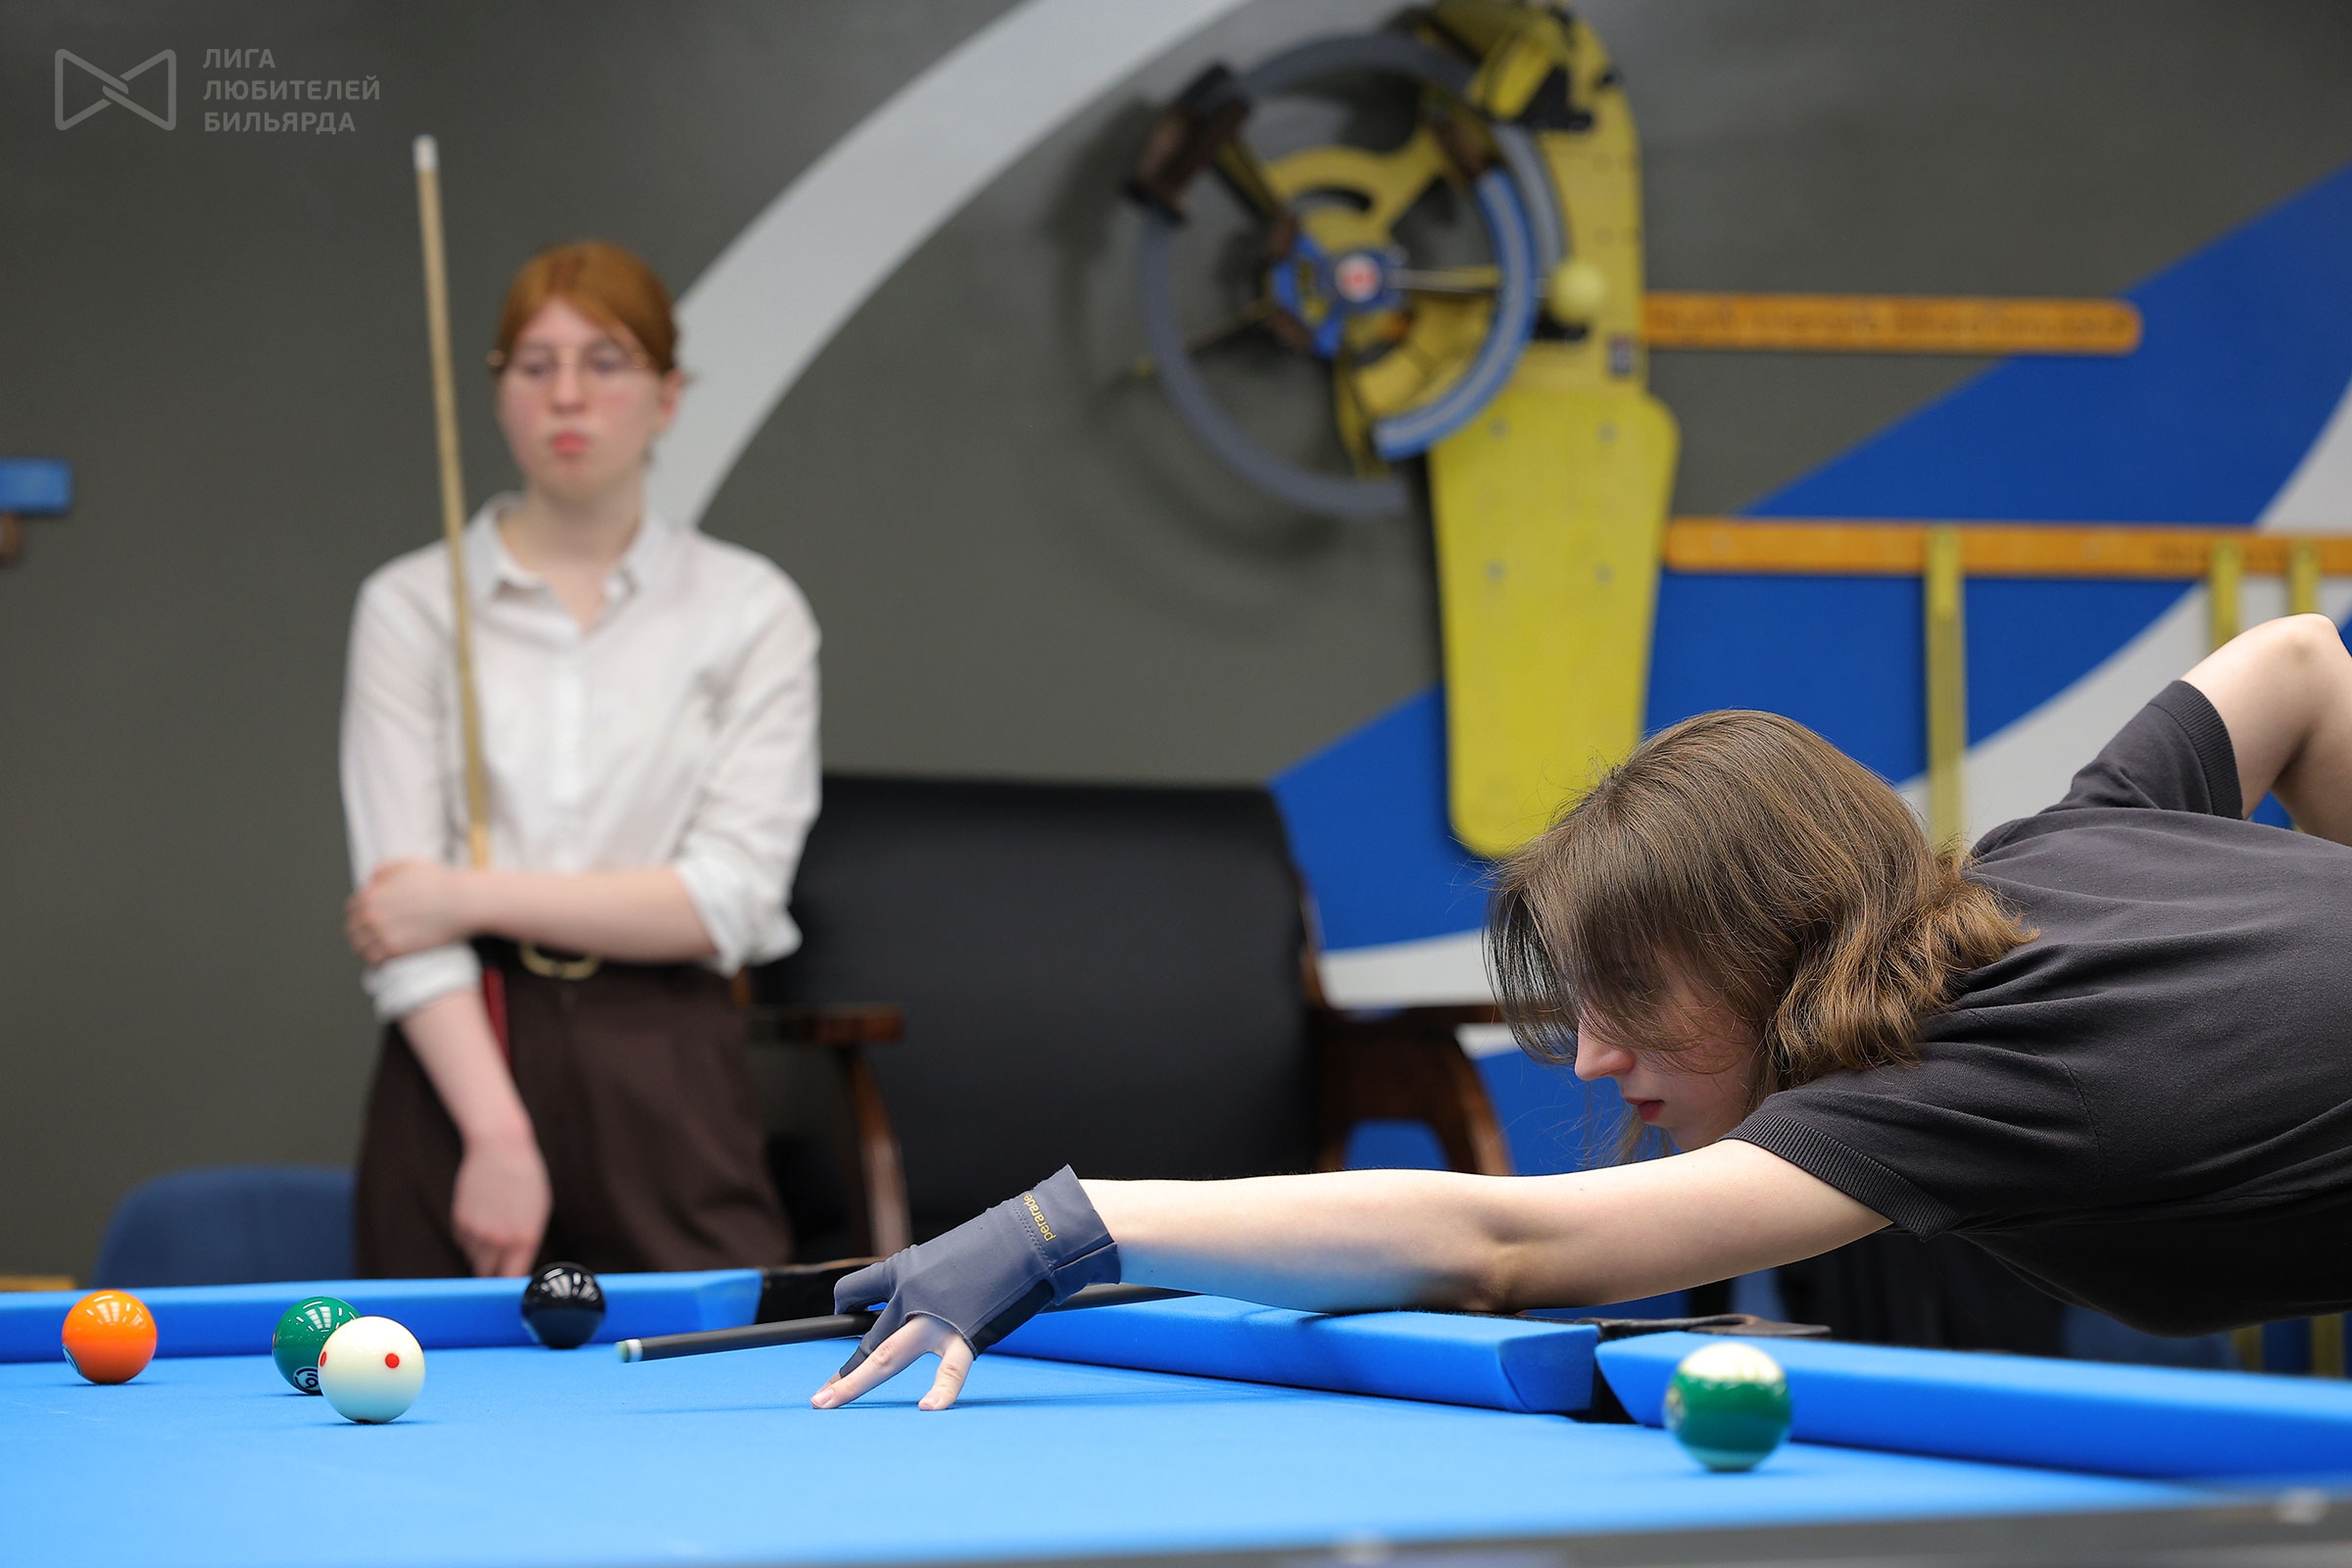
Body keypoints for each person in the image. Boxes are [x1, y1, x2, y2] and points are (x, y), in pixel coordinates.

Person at [808, 612, 2352, 1411]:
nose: (1600, 1059)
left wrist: (1070, 1224)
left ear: (1769, 950)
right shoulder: (2052, 855)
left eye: (1637, 1003)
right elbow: (2297, 664)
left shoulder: (1945, 1080)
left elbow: (1507, 1247)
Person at [341, 241, 818, 1279]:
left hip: (667, 1055)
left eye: (605, 362)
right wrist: (498, 1137)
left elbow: (726, 901)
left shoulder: (751, 609)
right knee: (420, 1376)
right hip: (462, 1056)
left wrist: (466, 895)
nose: (567, 395)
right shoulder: (410, 606)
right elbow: (400, 921)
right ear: (498, 392)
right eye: (534, 364)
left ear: (668, 395)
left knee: (714, 1364)